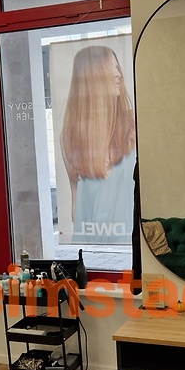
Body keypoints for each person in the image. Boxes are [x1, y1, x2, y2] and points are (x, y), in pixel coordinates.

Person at [60, 45, 136, 244]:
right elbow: (76, 200)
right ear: (92, 75)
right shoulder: (71, 136)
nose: (118, 74)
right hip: (90, 241)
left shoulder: (133, 125)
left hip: (127, 240)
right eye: (111, 67)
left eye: (118, 67)